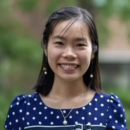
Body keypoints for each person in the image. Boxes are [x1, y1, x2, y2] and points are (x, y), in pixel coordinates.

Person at [4, 6, 127, 130]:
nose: (69, 54)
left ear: (93, 51)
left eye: (80, 45)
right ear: (45, 47)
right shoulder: (22, 110)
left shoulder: (108, 108)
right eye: (59, 43)